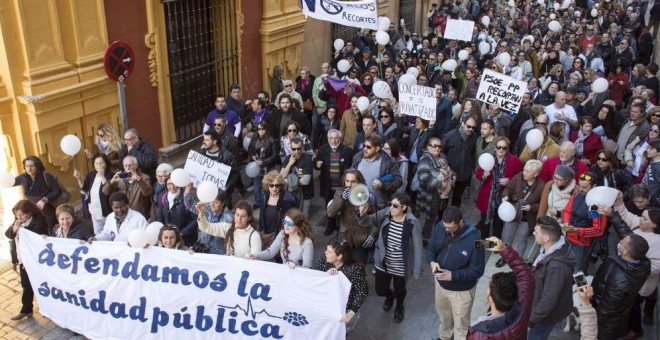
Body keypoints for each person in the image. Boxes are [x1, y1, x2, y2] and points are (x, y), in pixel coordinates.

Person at [360, 192, 422, 323]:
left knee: (400, 290)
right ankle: (389, 296)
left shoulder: (412, 222)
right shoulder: (386, 213)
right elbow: (367, 222)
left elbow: (417, 247)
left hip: (400, 264)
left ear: (404, 207)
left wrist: (417, 270)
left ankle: (400, 306)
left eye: (395, 206)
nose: (391, 208)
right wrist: (363, 213)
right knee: (380, 290)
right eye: (390, 204)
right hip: (383, 261)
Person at [426, 206, 485, 339]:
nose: (446, 230)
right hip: (440, 285)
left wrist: (452, 275)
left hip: (462, 291)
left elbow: (478, 271)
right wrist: (432, 262)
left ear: (460, 222)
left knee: (461, 324)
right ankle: (444, 336)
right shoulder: (439, 227)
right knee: (444, 315)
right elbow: (430, 248)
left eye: (450, 228)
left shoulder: (477, 239)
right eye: (444, 226)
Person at [468, 237, 534, 339]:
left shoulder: (481, 334)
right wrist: (504, 249)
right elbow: (525, 274)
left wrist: (503, 249)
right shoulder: (523, 304)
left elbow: (525, 274)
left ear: (490, 298)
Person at [591, 234, 650, 340]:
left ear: (626, 251)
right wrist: (614, 216)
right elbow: (630, 238)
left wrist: (589, 314)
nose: (620, 241)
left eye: (622, 242)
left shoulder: (620, 279)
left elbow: (607, 309)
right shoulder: (642, 264)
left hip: (605, 325)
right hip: (618, 317)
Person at [528, 216, 576, 340]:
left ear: (546, 238)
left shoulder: (556, 267)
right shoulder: (547, 247)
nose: (533, 233)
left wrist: (529, 322)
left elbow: (548, 302)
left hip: (544, 317)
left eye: (536, 232)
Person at [5, 200, 49, 321]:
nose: (19, 218)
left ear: (30, 212)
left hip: (36, 261)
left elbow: (37, 236)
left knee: (41, 284)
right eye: (17, 215)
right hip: (23, 260)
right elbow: (9, 235)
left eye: (22, 215)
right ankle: (26, 309)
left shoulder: (39, 222)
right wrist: (14, 229)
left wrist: (22, 229)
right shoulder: (18, 222)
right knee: (26, 285)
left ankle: (48, 308)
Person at [314, 239, 368, 331]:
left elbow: (362, 291)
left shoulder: (354, 270)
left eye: (329, 252)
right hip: (325, 304)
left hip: (343, 308)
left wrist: (352, 312)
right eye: (326, 250)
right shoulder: (324, 260)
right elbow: (314, 276)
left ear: (339, 256)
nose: (325, 253)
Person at [475, 137, 523, 240]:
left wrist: (509, 180)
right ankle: (484, 244)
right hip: (487, 197)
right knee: (484, 222)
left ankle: (495, 245)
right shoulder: (488, 158)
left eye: (504, 148)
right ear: (495, 148)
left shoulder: (514, 161)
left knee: (498, 223)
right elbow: (478, 173)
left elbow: (519, 177)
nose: (501, 150)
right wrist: (484, 175)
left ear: (507, 149)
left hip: (503, 197)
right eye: (499, 147)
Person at [500, 160, 545, 267]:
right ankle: (505, 257)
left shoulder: (541, 186)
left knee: (522, 239)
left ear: (536, 174)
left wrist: (532, 207)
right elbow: (508, 189)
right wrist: (506, 196)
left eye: (527, 171)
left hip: (527, 217)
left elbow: (542, 204)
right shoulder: (518, 177)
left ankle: (518, 261)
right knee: (507, 237)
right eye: (524, 170)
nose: (524, 172)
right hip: (512, 213)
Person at [562, 172, 607, 273]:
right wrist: (566, 222)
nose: (581, 189)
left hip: (582, 244)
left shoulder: (595, 206)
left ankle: (580, 288)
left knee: (578, 271)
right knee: (566, 267)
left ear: (594, 186)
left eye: (585, 187)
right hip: (569, 237)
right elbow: (567, 211)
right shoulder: (577, 194)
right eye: (580, 185)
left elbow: (598, 229)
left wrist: (577, 230)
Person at [314, 129, 355, 236]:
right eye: (331, 138)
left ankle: (340, 227)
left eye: (336, 138)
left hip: (342, 187)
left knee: (343, 207)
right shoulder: (323, 149)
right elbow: (316, 163)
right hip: (328, 186)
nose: (334, 140)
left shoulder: (348, 151)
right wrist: (316, 164)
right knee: (329, 206)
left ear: (340, 139)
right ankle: (330, 226)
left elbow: (352, 169)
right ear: (328, 139)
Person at [414, 137, 454, 240]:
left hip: (444, 194)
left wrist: (453, 176)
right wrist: (439, 184)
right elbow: (423, 177)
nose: (437, 148)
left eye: (439, 146)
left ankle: (432, 233)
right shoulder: (426, 159)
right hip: (431, 194)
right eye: (434, 146)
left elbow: (448, 170)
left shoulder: (442, 157)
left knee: (437, 215)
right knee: (430, 217)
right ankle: (426, 237)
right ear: (428, 146)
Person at [351, 134, 403, 209]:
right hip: (358, 203)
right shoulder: (357, 157)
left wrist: (383, 185)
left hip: (379, 206)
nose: (365, 149)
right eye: (364, 146)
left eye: (368, 147)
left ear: (377, 148)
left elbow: (399, 181)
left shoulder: (388, 161)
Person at [250, 208, 314, 268]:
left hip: (299, 277)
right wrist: (255, 255)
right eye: (285, 222)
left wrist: (295, 267)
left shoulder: (307, 243)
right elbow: (270, 252)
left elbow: (307, 267)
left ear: (298, 226)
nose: (286, 225)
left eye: (290, 223)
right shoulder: (282, 234)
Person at [196, 201, 262, 258]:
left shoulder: (254, 236)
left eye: (243, 216)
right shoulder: (228, 227)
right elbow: (206, 227)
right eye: (237, 215)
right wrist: (201, 212)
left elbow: (255, 262)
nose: (239, 219)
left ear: (249, 218)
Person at [14, 156, 62, 228]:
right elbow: (10, 182)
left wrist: (44, 200)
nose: (29, 168)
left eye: (32, 166)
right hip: (33, 214)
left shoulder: (46, 176)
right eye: (27, 166)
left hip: (47, 212)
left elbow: (58, 191)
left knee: (50, 233)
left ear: (38, 166)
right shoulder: (23, 177)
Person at [73, 153, 113, 235]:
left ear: (106, 163)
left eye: (101, 163)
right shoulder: (92, 174)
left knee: (109, 231)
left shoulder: (110, 175)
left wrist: (102, 176)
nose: (98, 165)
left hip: (106, 209)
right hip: (94, 209)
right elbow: (84, 186)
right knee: (97, 232)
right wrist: (78, 178)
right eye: (96, 163)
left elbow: (108, 190)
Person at [442, 116, 478, 206]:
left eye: (473, 127)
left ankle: (454, 218)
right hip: (449, 174)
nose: (471, 129)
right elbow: (442, 152)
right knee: (444, 199)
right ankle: (441, 218)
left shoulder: (474, 137)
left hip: (463, 175)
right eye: (468, 126)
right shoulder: (450, 136)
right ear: (462, 124)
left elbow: (473, 153)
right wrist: (446, 169)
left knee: (457, 199)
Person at [185, 188, 233, 255]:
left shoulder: (229, 217)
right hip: (203, 248)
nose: (212, 205)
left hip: (219, 253)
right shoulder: (206, 208)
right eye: (210, 201)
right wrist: (187, 191)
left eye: (216, 202)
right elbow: (190, 205)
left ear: (223, 203)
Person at [258, 171, 298, 249]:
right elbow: (261, 214)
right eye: (271, 185)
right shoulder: (265, 195)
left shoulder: (287, 200)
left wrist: (284, 236)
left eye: (277, 185)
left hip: (280, 235)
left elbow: (290, 221)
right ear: (267, 185)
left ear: (281, 186)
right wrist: (261, 229)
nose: (274, 188)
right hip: (266, 233)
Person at [155, 178, 197, 246]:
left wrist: (181, 233)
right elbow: (160, 217)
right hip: (168, 240)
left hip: (185, 239)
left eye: (175, 183)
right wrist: (164, 233)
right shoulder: (163, 196)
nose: (172, 186)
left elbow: (196, 219)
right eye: (169, 184)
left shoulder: (187, 196)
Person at [248, 121, 279, 208]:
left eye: (263, 129)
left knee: (267, 185)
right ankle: (258, 203)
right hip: (256, 166)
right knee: (257, 185)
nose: (261, 131)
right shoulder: (254, 139)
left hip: (267, 167)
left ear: (266, 129)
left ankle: (268, 202)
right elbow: (250, 151)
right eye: (259, 129)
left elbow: (275, 155)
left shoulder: (271, 140)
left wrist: (264, 161)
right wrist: (253, 158)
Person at [280, 137, 314, 216]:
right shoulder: (289, 158)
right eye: (294, 149)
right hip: (291, 193)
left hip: (305, 193)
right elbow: (281, 176)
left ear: (302, 147)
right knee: (291, 214)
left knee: (303, 217)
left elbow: (305, 181)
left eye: (299, 149)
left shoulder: (307, 160)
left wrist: (287, 181)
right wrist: (290, 164)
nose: (296, 151)